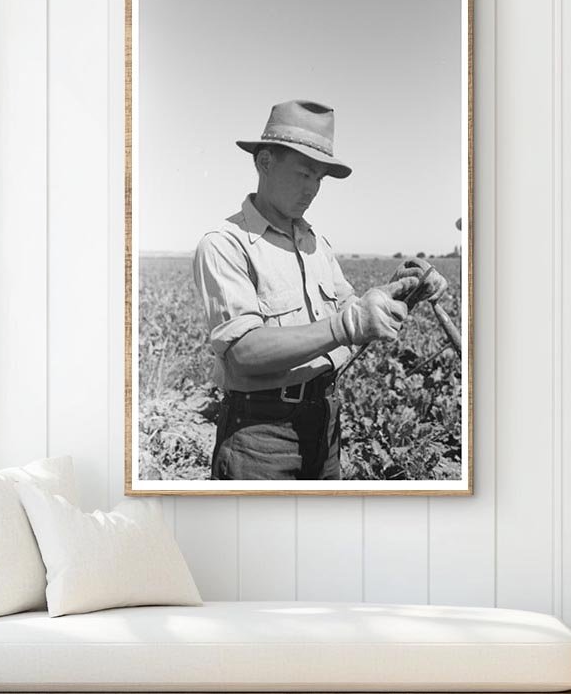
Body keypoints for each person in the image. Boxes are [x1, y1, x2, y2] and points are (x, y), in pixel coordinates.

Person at [192, 99, 447, 481]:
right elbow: (243, 352)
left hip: (325, 423)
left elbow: (351, 309)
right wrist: (344, 326)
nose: (313, 189)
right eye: (303, 174)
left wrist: (402, 289)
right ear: (264, 162)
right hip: (260, 436)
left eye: (319, 179)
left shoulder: (316, 243)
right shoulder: (226, 244)